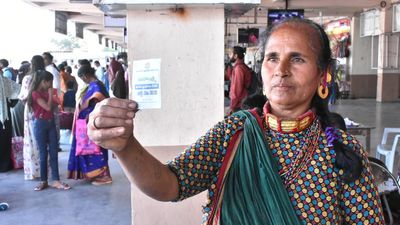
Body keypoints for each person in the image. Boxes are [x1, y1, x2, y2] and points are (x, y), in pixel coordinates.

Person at [87, 18, 385, 224]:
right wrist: (125, 147)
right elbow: (170, 184)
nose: (281, 70)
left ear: (323, 75)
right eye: (272, 58)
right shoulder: (235, 132)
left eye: (297, 59)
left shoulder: (341, 150)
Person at [67, 65, 112, 185]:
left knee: (96, 149)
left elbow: (100, 102)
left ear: (85, 76)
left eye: (82, 78)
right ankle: (95, 175)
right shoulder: (94, 85)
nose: (83, 80)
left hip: (92, 123)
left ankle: (104, 176)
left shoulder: (96, 86)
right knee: (91, 149)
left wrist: (90, 114)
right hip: (87, 123)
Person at [27, 70, 70, 191]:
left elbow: (56, 105)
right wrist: (51, 95)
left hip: (50, 123)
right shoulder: (35, 93)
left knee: (54, 152)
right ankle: (43, 180)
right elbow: (47, 107)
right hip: (40, 124)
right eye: (49, 82)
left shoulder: (46, 92)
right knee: (43, 154)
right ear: (43, 82)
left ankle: (55, 180)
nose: (51, 84)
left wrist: (53, 97)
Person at [19, 55, 44, 180]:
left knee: (31, 138)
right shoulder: (45, 76)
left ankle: (34, 171)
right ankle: (45, 170)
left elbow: (23, 97)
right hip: (44, 110)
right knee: (44, 140)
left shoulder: (27, 78)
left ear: (31, 64)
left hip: (30, 110)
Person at [0, 74, 20, 172]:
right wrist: (10, 103)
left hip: (4, 116)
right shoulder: (6, 81)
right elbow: (18, 91)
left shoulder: (6, 81)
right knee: (4, 138)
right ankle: (5, 165)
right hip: (4, 116)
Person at [228, 46, 252, 114]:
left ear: (235, 56)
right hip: (241, 103)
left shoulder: (239, 68)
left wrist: (232, 106)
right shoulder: (240, 67)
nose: (229, 55)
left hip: (239, 105)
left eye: (230, 53)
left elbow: (237, 90)